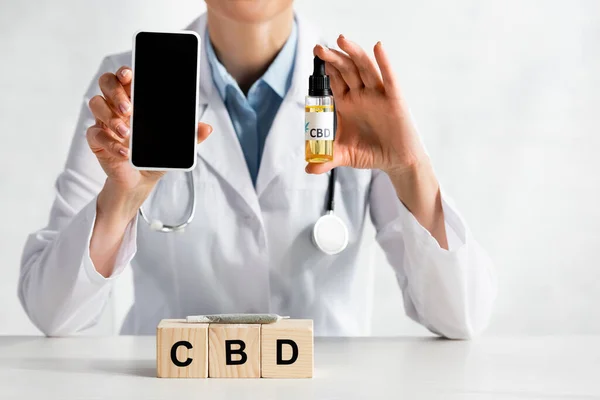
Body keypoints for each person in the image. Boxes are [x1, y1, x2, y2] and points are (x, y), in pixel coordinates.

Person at [19, 1, 496, 338]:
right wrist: (120, 200)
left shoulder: (357, 92)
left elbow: (461, 318)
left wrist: (410, 167)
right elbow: (53, 313)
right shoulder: (129, 91)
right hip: (172, 388)